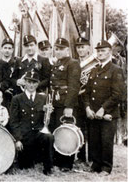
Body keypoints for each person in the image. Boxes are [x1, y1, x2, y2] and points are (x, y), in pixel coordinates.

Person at [83, 40, 125, 175]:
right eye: (98, 51)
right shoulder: (95, 70)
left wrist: (103, 109)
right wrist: (88, 108)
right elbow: (87, 92)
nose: (100, 53)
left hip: (108, 113)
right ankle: (96, 164)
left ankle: (106, 167)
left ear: (110, 52)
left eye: (103, 51)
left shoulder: (116, 70)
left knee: (106, 140)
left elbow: (118, 94)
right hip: (93, 112)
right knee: (94, 139)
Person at [9, 70, 54, 175]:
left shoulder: (43, 98)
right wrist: (18, 140)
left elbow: (47, 121)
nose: (31, 85)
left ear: (38, 84)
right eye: (29, 82)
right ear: (25, 82)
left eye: (34, 82)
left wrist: (48, 112)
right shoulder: (17, 98)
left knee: (49, 137)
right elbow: (14, 121)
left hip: (38, 133)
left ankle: (48, 168)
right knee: (25, 166)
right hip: (25, 137)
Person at [49, 38, 81, 171]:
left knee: (67, 133)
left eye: (61, 49)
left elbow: (74, 86)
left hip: (65, 104)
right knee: (57, 131)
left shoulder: (73, 63)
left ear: (68, 50)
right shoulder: (57, 63)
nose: (58, 51)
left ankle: (67, 164)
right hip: (55, 102)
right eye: (56, 49)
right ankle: (58, 160)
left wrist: (69, 106)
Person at [74, 37, 91, 163]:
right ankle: (80, 157)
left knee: (91, 129)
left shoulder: (94, 62)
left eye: (83, 47)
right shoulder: (74, 63)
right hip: (77, 98)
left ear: (88, 48)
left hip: (90, 98)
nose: (80, 49)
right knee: (79, 127)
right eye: (78, 47)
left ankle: (92, 157)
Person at [0, 38, 17, 109]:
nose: (7, 50)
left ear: (12, 50)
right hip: (0, 95)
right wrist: (4, 88)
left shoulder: (16, 63)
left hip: (13, 95)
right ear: (1, 49)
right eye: (5, 48)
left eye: (9, 48)